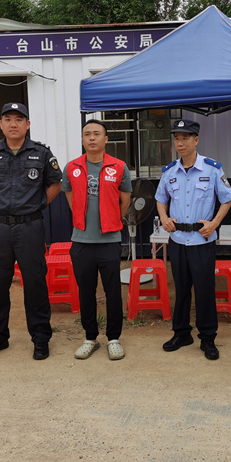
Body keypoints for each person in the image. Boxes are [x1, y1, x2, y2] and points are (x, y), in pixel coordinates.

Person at [0, 102, 62, 361]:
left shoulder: (41, 153)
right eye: (8, 119)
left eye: (19, 119)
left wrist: (37, 205)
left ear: (27, 125)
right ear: (0, 124)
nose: (13, 124)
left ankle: (40, 338)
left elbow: (55, 184)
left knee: (35, 284)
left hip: (30, 228)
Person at [155, 119, 231, 360]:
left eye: (185, 138)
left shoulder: (212, 169)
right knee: (181, 289)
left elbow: (228, 198)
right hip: (178, 240)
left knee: (204, 290)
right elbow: (160, 198)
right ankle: (181, 333)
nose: (180, 143)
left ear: (196, 140)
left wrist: (215, 223)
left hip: (202, 240)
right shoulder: (169, 172)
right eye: (177, 139)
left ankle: (207, 338)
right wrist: (164, 217)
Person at [62, 119, 132, 361]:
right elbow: (70, 198)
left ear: (106, 139)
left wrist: (111, 221)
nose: (92, 138)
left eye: (97, 134)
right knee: (86, 292)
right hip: (81, 241)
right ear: (82, 139)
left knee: (113, 291)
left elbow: (125, 201)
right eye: (87, 134)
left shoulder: (119, 167)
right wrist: (83, 221)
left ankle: (114, 338)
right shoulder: (72, 167)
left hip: (109, 241)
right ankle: (90, 337)